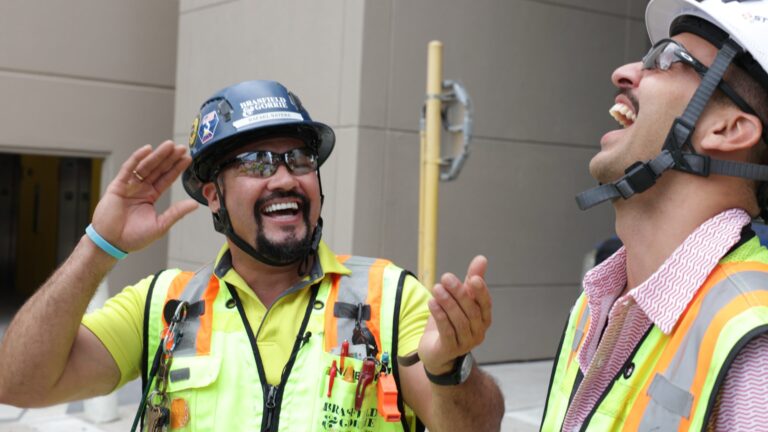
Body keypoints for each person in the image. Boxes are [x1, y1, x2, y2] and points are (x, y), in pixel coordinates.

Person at [0, 80, 504, 431]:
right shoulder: (164, 305)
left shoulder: (391, 298)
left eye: (299, 159)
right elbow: (18, 384)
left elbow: (477, 428)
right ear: (213, 195)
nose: (285, 177)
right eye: (258, 163)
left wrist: (450, 371)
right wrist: (98, 246)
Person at [542, 0, 768, 430]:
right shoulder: (594, 306)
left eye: (666, 59)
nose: (624, 73)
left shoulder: (755, 354)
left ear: (728, 129)